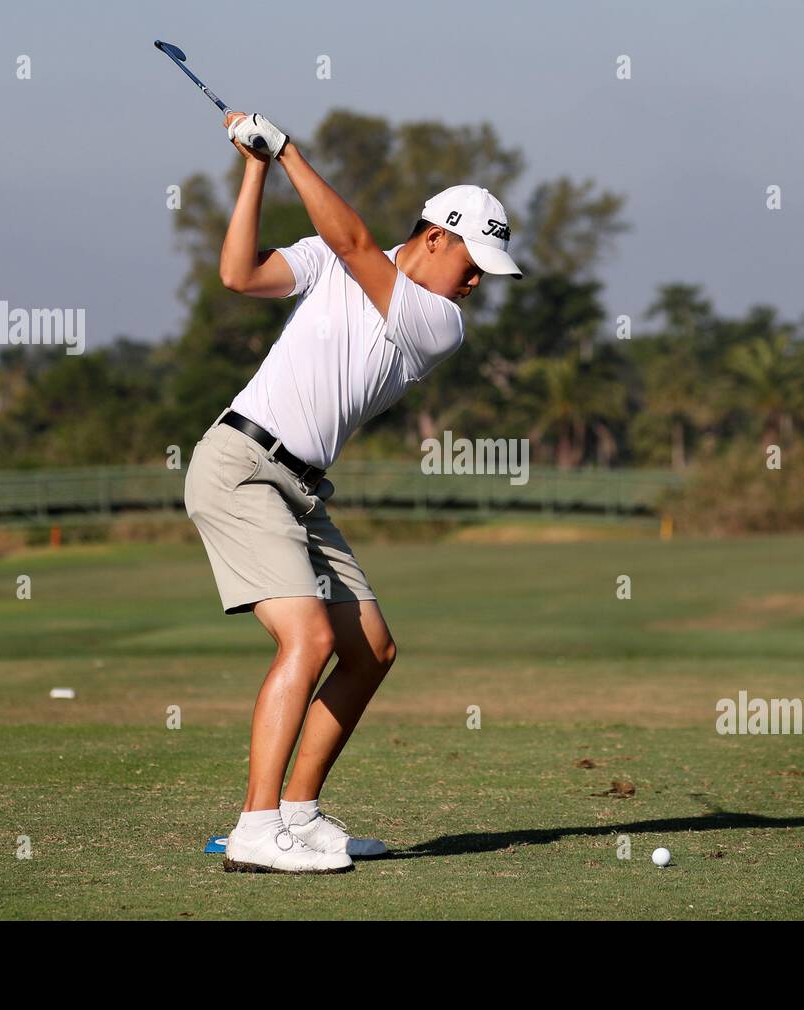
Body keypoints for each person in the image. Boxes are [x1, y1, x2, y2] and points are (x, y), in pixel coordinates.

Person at [184, 110, 523, 873]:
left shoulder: (438, 324)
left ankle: (298, 815)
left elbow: (354, 243)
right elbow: (240, 273)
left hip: (300, 492)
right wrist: (258, 167)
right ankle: (255, 828)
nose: (476, 284)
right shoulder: (337, 261)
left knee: (370, 650)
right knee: (307, 639)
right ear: (436, 234)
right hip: (239, 464)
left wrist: (290, 151)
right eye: (473, 263)